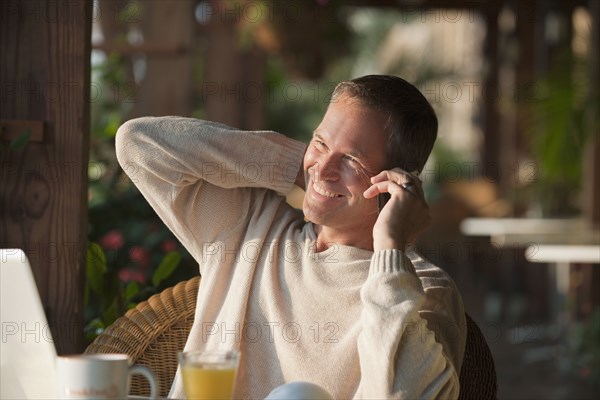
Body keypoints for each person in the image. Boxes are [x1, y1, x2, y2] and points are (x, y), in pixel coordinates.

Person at [116, 75, 466, 399]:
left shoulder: (423, 290)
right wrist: (298, 167)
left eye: (352, 161)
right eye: (320, 141)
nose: (325, 169)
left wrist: (390, 249)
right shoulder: (248, 226)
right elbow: (139, 143)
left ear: (395, 183)